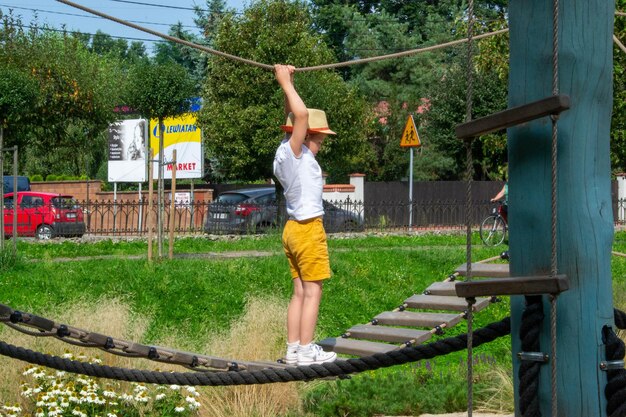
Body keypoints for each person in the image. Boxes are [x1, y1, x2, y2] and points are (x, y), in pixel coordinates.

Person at [272, 64, 337, 366]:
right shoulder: (295, 154)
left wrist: (291, 82)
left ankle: (294, 348)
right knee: (313, 292)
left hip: (292, 230)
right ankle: (307, 349)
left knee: (299, 291)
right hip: (309, 229)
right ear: (306, 135)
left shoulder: (288, 154)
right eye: (320, 140)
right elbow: (299, 117)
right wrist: (284, 81)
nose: (321, 146)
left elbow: (293, 117)